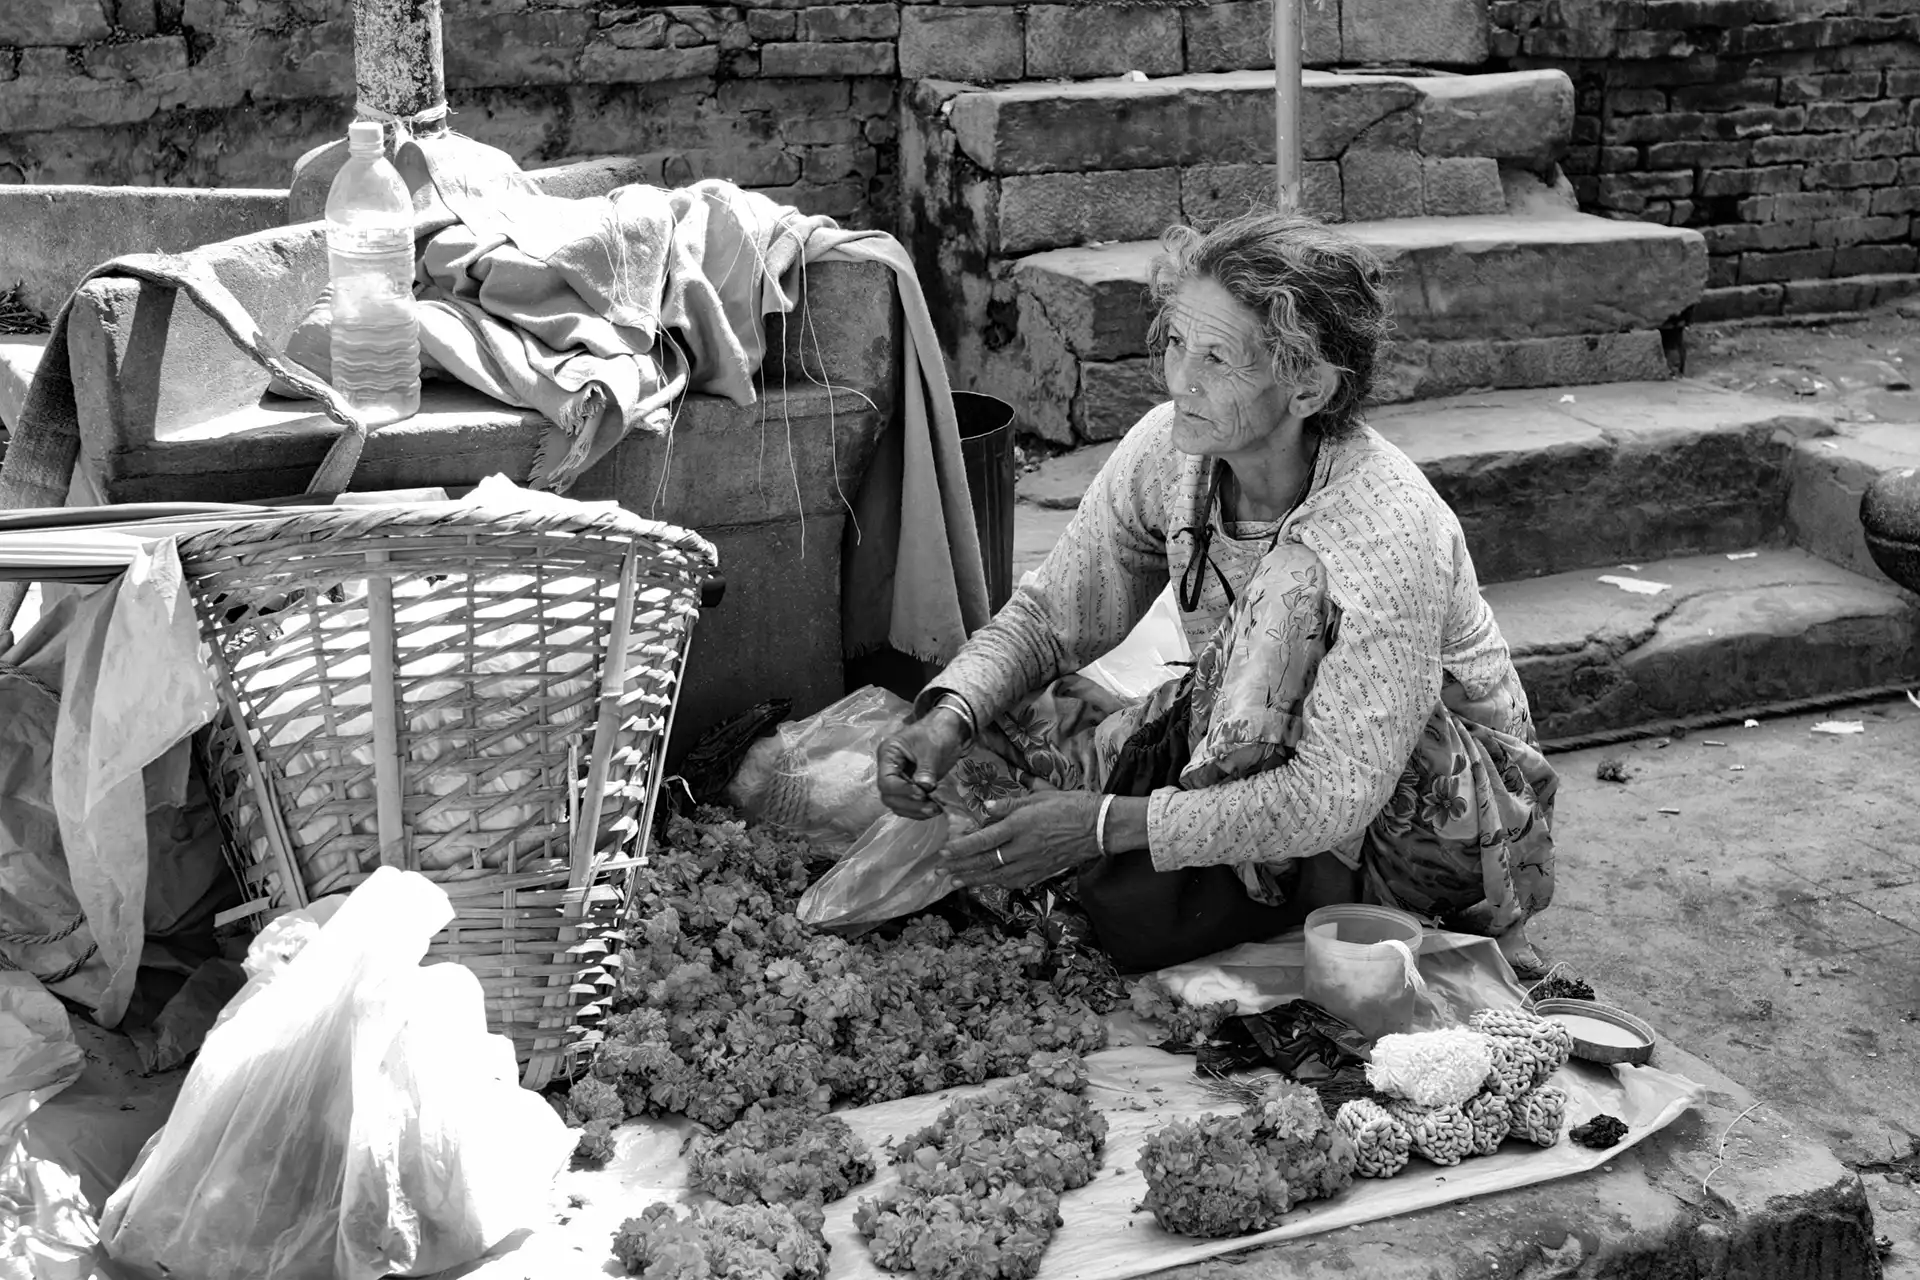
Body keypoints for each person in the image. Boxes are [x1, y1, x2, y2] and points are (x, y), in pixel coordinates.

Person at [874, 207, 1559, 974]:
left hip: (1433, 817)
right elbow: (1053, 616)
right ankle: (1214, 879)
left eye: (1219, 360)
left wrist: (1104, 826)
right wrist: (951, 712)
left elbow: (1336, 794)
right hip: (1244, 747)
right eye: (1175, 344)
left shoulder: (1382, 527)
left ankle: (1275, 900)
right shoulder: (1173, 453)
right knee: (992, 735)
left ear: (1307, 386)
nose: (1180, 382)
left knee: (1292, 590)